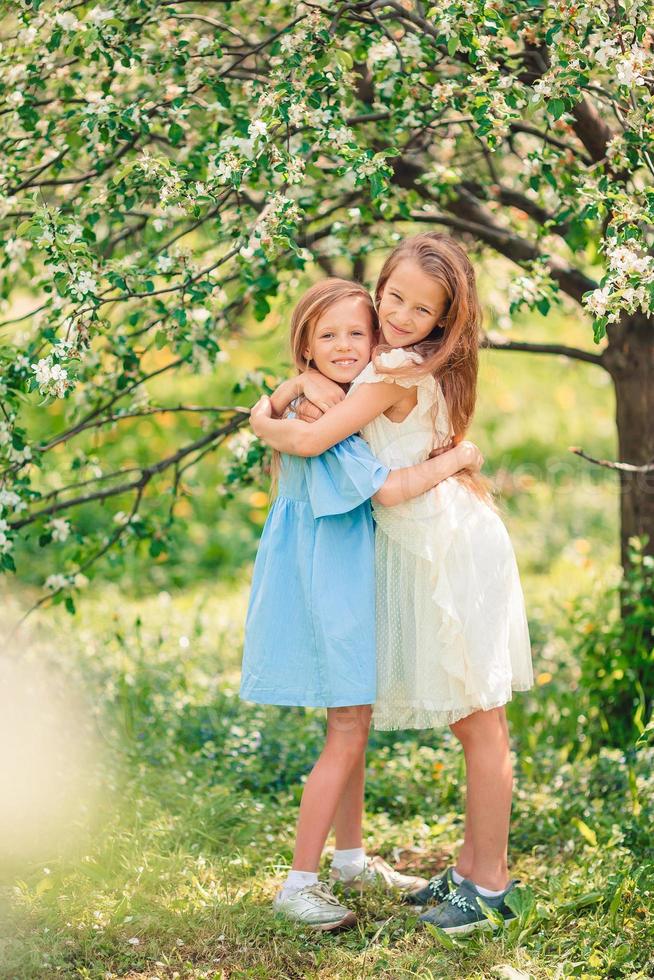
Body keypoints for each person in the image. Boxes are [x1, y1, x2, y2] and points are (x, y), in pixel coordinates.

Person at [250, 235, 534, 935]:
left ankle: (490, 886)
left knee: (479, 722)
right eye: (393, 297)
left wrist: (265, 415)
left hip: (446, 552)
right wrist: (299, 385)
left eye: (421, 308)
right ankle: (470, 867)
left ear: (444, 322)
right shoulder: (390, 364)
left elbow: (312, 443)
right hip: (437, 543)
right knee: (476, 720)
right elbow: (332, 401)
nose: (400, 314)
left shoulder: (390, 373)